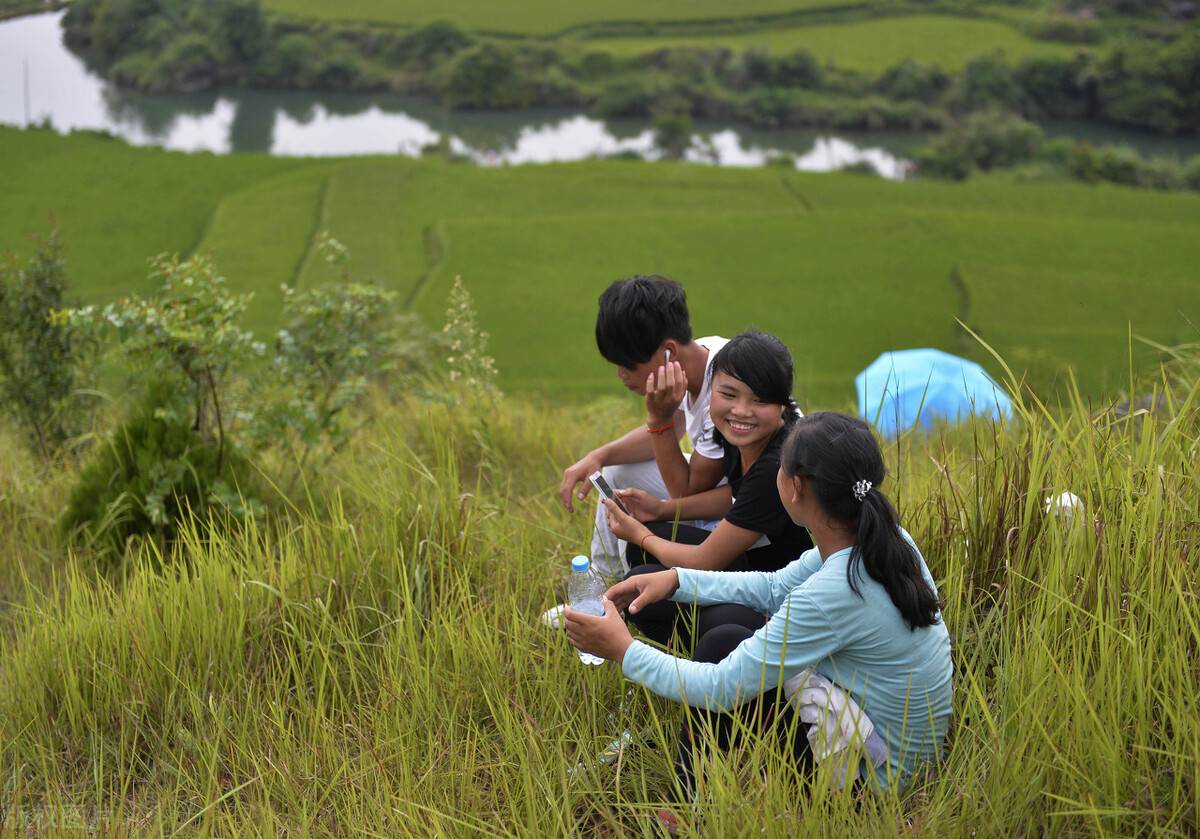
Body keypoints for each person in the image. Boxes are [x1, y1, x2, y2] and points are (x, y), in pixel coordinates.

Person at [564, 412, 953, 823]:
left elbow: (720, 689)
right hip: (898, 747)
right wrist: (676, 579)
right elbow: (773, 585)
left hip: (872, 786)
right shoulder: (884, 537)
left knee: (720, 649)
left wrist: (624, 651)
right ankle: (692, 795)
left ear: (796, 487)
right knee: (727, 635)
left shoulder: (835, 590)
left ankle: (682, 814)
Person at [602, 331, 814, 649]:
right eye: (729, 394)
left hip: (783, 597)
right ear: (710, 390)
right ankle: (698, 659)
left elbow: (705, 560)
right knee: (643, 561)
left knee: (657, 595)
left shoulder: (778, 466)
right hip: (749, 566)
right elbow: (735, 494)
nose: (742, 410)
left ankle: (711, 667)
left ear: (783, 405)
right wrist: (660, 509)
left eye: (761, 399)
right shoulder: (736, 434)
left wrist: (637, 532)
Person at [559, 276, 729, 580]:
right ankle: (604, 582)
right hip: (723, 491)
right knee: (616, 470)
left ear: (669, 352)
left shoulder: (723, 394)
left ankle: (625, 594)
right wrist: (600, 455)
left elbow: (686, 492)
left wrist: (659, 420)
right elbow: (673, 431)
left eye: (629, 365)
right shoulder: (704, 353)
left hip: (749, 522)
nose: (621, 375)